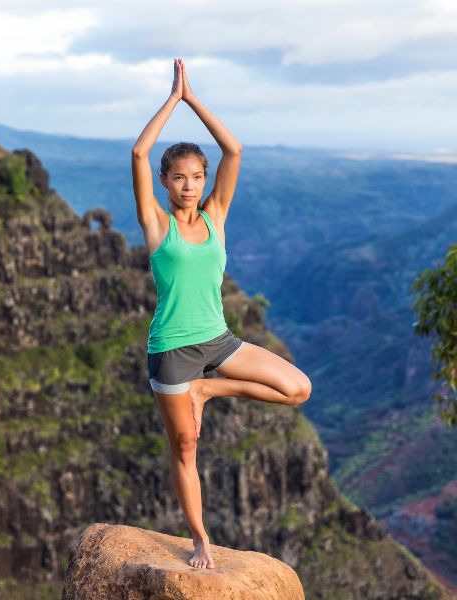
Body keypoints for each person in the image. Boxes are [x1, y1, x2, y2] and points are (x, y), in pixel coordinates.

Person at [131, 57, 313, 570]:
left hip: (218, 341)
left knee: (297, 389)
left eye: (195, 177)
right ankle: (200, 538)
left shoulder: (215, 217)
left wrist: (194, 99)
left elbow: (234, 149)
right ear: (165, 182)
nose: (188, 185)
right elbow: (139, 150)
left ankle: (208, 389)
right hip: (170, 352)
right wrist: (171, 100)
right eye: (179, 178)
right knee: (186, 448)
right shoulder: (156, 225)